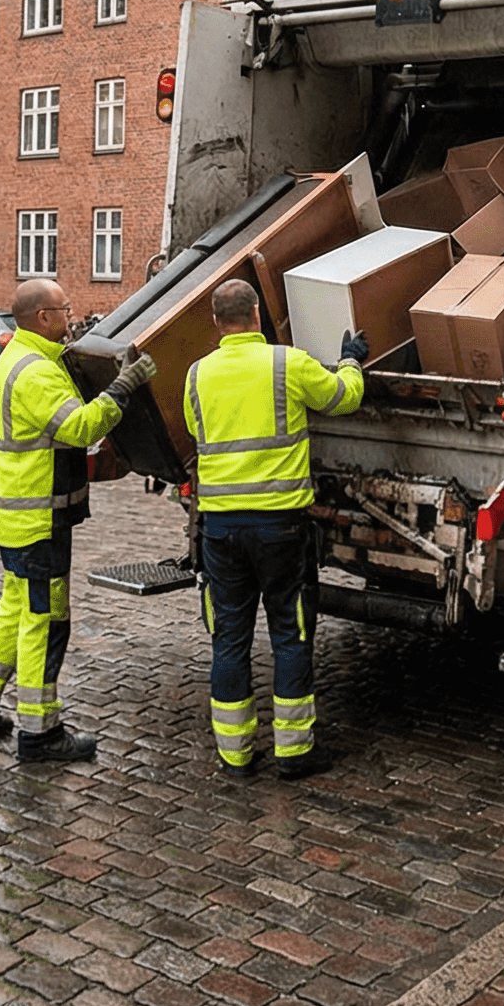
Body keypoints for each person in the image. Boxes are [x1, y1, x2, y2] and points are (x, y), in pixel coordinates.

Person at [0, 277, 155, 764]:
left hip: (15, 514)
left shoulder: (23, 357)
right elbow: (80, 426)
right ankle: (40, 733)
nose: (72, 316)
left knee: (15, 607)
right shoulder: (35, 373)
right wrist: (123, 386)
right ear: (43, 318)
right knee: (45, 621)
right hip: (37, 519)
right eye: (65, 309)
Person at [182, 278, 365, 780]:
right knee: (290, 633)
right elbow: (343, 397)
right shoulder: (288, 362)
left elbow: (197, 432)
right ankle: (294, 752)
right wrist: (350, 358)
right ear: (257, 315)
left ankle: (236, 754)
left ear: (217, 322)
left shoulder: (197, 375)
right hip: (281, 528)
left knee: (229, 639)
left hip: (220, 532)